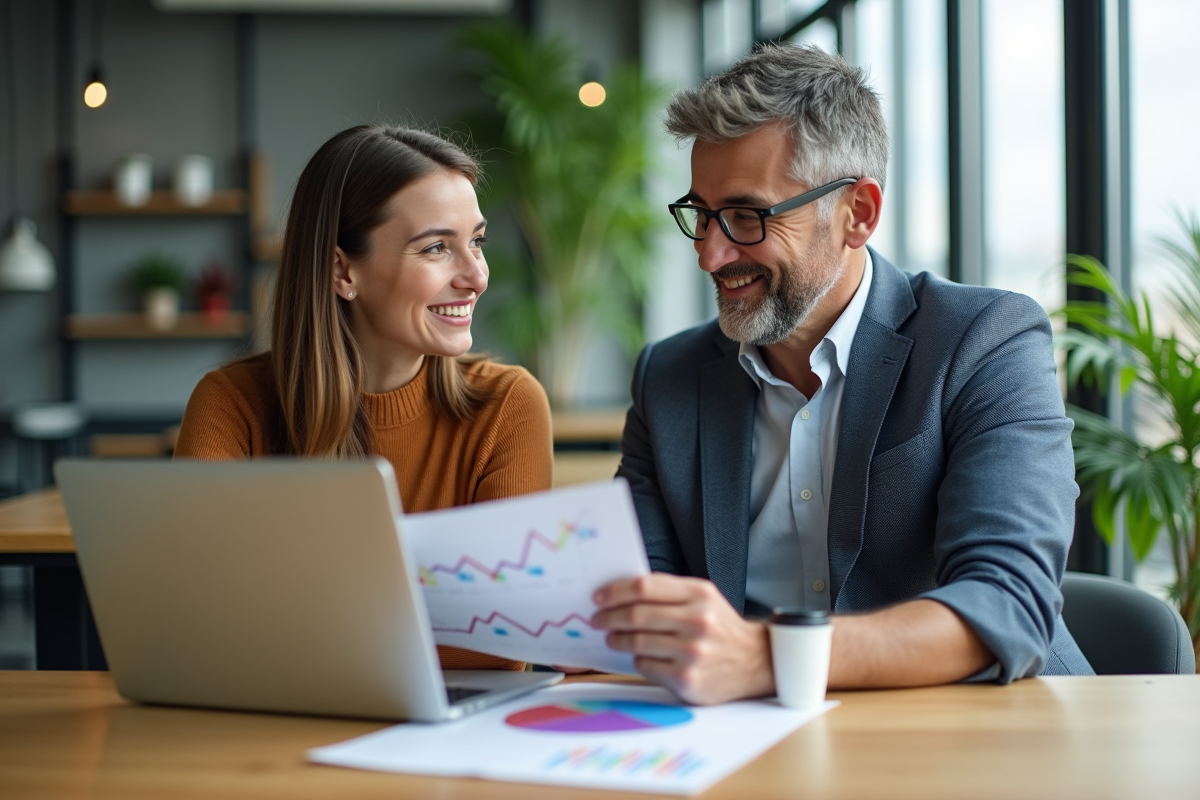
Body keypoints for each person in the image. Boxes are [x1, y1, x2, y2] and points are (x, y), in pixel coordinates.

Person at [592, 44, 1093, 704]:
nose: (711, 254)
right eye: (702, 216)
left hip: (980, 733)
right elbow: (640, 592)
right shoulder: (670, 377)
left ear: (857, 213)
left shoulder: (984, 341)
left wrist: (769, 656)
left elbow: (1008, 605)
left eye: (748, 217)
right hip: (748, 741)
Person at [175, 125, 553, 671]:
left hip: (443, 742)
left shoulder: (507, 406)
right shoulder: (231, 406)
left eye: (477, 241)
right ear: (342, 271)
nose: (476, 276)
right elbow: (194, 623)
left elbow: (495, 648)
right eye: (437, 248)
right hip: (264, 734)